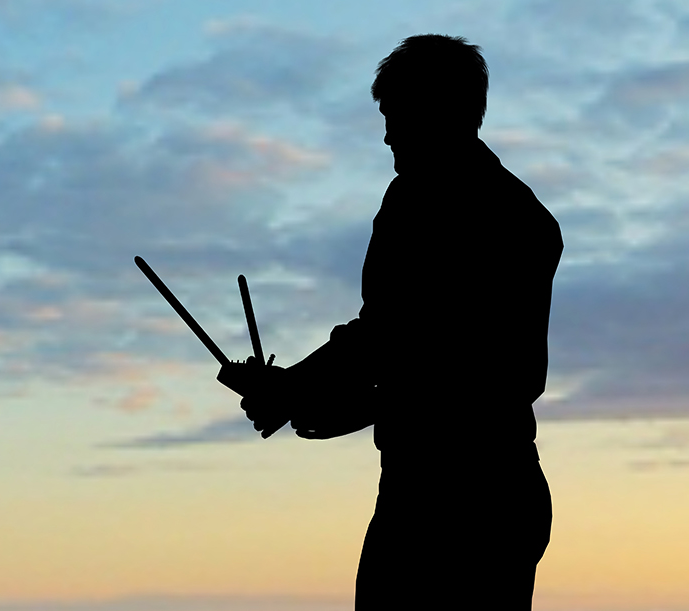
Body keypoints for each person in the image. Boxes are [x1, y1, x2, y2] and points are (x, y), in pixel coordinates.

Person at [217, 34, 562, 610]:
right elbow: (435, 357)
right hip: (486, 492)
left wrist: (300, 390)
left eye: (395, 115)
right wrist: (315, 397)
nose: (387, 135)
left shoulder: (426, 203)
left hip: (451, 502)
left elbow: (401, 339)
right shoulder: (518, 212)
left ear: (438, 111)